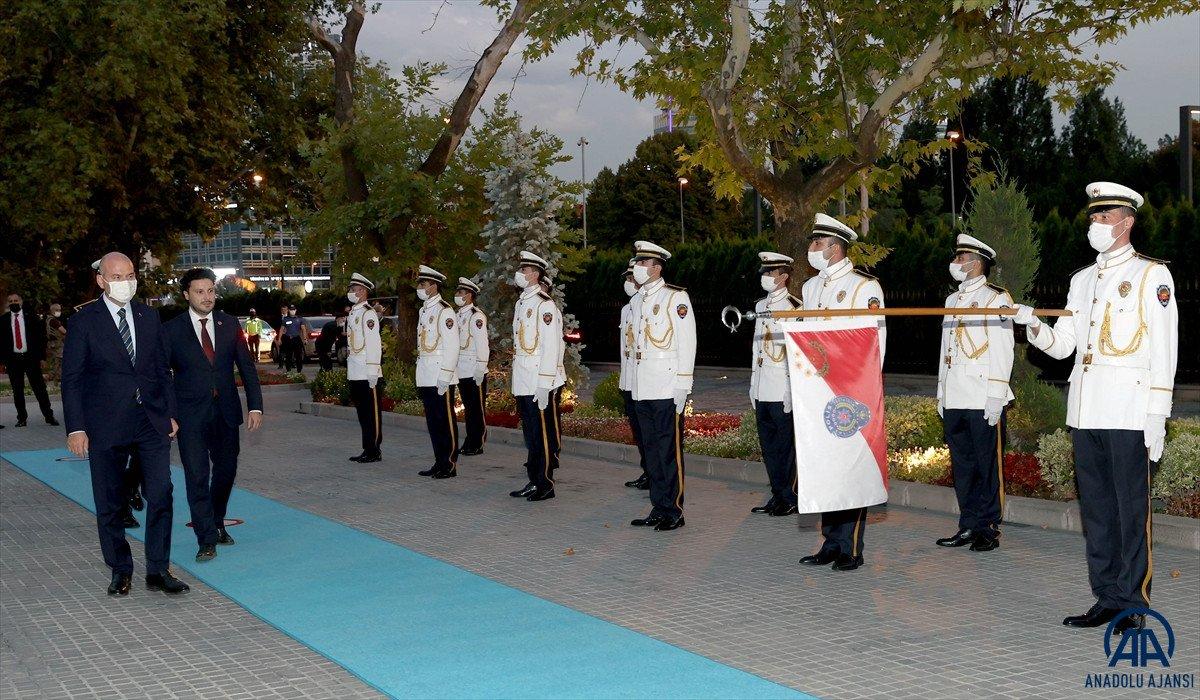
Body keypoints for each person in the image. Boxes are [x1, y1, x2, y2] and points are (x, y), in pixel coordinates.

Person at [1012, 182, 1178, 634]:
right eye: (1093, 218)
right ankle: (1105, 597)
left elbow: (1164, 349)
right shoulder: (1081, 280)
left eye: (1103, 218)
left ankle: (1132, 602)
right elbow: (1066, 346)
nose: (1095, 225)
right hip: (1086, 413)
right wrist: (1033, 325)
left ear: (1126, 222)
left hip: (1128, 412)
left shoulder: (1152, 275)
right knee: (1099, 513)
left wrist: (1156, 416)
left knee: (1130, 512)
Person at [61, 252, 188, 596]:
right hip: (105, 423)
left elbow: (162, 370)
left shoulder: (149, 316)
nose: (125, 282)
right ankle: (120, 568)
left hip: (150, 420)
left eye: (130, 274)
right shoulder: (84, 321)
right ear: (101, 280)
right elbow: (71, 378)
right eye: (117, 276)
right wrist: (76, 428)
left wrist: (171, 413)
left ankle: (158, 570)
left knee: (161, 492)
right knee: (110, 500)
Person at [797, 214, 886, 572]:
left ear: (835, 247)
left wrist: (866, 386)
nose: (812, 249)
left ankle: (850, 546)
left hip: (850, 390)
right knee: (826, 467)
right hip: (818, 388)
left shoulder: (864, 287)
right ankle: (830, 541)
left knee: (850, 468)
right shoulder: (810, 288)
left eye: (817, 244)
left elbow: (876, 340)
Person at [163, 268, 263, 562]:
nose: (207, 297)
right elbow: (161, 375)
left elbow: (246, 367)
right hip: (189, 416)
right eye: (200, 292)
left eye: (210, 291)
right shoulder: (171, 330)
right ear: (186, 295)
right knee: (196, 475)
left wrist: (255, 405)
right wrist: (169, 414)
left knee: (227, 471)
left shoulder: (229, 324)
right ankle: (206, 538)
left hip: (226, 413)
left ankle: (217, 519)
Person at [935, 234, 1014, 553]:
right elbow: (946, 349)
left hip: (983, 396)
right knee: (963, 465)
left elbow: (1003, 348)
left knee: (986, 466)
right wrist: (941, 391)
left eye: (961, 257)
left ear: (977, 262)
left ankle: (988, 527)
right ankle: (968, 524)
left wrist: (996, 395)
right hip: (956, 394)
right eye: (956, 257)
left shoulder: (997, 297)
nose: (955, 263)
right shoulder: (952, 301)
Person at [627, 241, 696, 531]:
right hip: (643, 386)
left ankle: (674, 510)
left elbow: (687, 341)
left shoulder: (675, 298)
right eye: (638, 263)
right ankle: (659, 506)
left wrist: (683, 383)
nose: (638, 268)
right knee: (651, 450)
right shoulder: (636, 301)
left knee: (668, 450)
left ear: (657, 267)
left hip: (667, 386)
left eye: (644, 264)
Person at [749, 252, 801, 517]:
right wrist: (752, 383)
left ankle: (790, 496)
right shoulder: (760, 307)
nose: (765, 278)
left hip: (781, 387)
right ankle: (776, 494)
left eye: (770, 274)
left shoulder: (794, 308)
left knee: (786, 446)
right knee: (769, 446)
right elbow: (757, 347)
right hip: (763, 387)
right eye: (764, 273)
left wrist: (791, 389)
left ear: (784, 277)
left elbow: (795, 353)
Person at [509, 251, 563, 502]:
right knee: (530, 433)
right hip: (523, 376)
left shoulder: (545, 304)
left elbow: (551, 346)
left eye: (524, 270)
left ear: (535, 274)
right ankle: (533, 480)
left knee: (541, 434)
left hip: (538, 379)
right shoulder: (522, 303)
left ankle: (545, 484)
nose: (520, 274)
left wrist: (544, 383)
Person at [413, 266, 459, 477]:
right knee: (433, 421)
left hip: (441, 374)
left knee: (444, 420)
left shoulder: (444, 310)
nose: (419, 288)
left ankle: (449, 463)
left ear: (433, 286)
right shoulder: (424, 310)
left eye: (422, 284)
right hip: (426, 373)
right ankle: (439, 461)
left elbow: (452, 345)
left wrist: (446, 375)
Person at [2, 292, 59, 427]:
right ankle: (22, 418)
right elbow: (1, 342)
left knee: (40, 388)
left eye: (16, 300)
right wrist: (4, 361)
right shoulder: (3, 320)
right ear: (8, 304)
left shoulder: (31, 318)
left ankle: (49, 416)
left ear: (21, 302)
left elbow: (40, 338)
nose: (14, 303)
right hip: (13, 360)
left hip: (31, 359)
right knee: (17, 390)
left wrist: (42, 358)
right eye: (11, 301)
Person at [618, 259, 650, 490]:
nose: (629, 282)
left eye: (631, 278)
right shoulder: (626, 309)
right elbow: (624, 349)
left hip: (644, 380)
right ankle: (646, 470)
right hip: (629, 379)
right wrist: (623, 380)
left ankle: (653, 473)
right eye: (627, 279)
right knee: (638, 432)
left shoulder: (646, 306)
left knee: (648, 433)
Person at [347, 273, 385, 463]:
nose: (351, 292)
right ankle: (367, 447)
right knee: (362, 412)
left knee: (371, 412)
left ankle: (374, 449)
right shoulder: (354, 312)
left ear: (363, 291)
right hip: (355, 370)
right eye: (351, 289)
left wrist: (372, 371)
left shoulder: (368, 313)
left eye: (354, 290)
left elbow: (373, 344)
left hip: (367, 371)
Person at [454, 278, 490, 456]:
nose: (457, 296)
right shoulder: (458, 315)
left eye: (460, 293)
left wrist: (480, 367)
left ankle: (477, 442)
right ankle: (469, 440)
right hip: (461, 369)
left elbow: (482, 344)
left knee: (476, 409)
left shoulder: (477, 316)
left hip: (474, 370)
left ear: (469, 295)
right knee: (468, 408)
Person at [279, 304, 307, 372]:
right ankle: (288, 370)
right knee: (288, 355)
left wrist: (305, 339)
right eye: (291, 310)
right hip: (288, 339)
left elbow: (303, 329)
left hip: (296, 338)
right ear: (289, 310)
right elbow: (281, 329)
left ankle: (299, 370)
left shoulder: (300, 319)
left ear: (296, 310)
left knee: (298, 355)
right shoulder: (285, 319)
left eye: (293, 310)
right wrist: (279, 339)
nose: (292, 311)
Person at [45, 302, 67, 380]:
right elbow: (63, 331)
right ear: (52, 310)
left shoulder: (48, 319)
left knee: (55, 360)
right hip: (56, 343)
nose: (59, 311)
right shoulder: (54, 321)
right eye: (57, 310)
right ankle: (52, 376)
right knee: (59, 359)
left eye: (60, 310)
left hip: (52, 343)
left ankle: (54, 376)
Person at [274, 304, 289, 370]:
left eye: (285, 310)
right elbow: (275, 328)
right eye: (282, 310)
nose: (284, 311)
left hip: (289, 336)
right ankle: (281, 365)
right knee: (282, 351)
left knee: (290, 351)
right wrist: (277, 338)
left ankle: (291, 364)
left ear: (287, 310)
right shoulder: (278, 319)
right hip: (281, 336)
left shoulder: (290, 318)